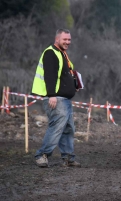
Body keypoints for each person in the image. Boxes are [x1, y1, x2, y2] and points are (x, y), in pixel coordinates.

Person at [31, 29, 81, 167]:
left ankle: (68, 158)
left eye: (69, 39)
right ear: (57, 39)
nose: (67, 42)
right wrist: (52, 95)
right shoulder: (51, 53)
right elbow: (50, 76)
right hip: (56, 99)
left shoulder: (62, 54)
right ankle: (41, 155)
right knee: (57, 128)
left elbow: (65, 75)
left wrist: (74, 84)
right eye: (65, 39)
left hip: (64, 99)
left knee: (68, 129)